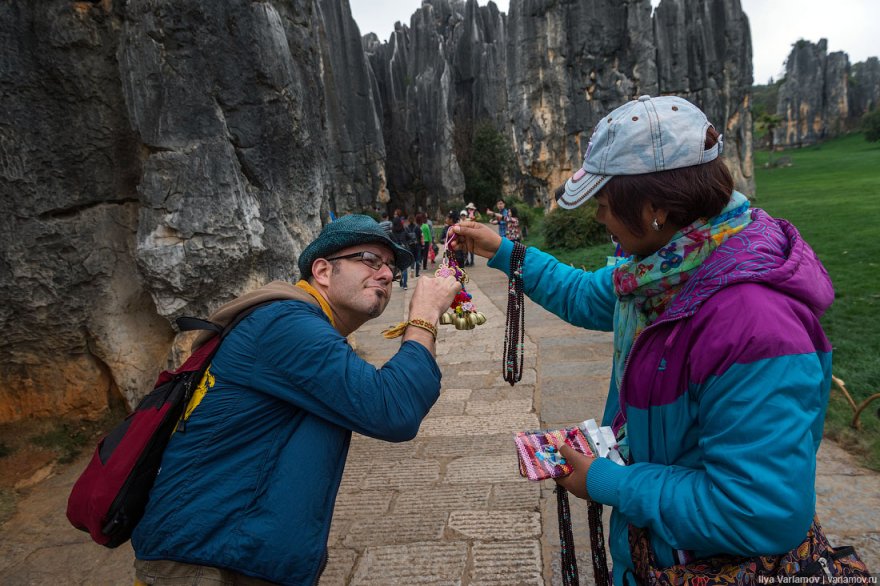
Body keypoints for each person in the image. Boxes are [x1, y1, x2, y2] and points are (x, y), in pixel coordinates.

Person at [454, 95, 836, 584]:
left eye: (606, 206)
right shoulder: (661, 277)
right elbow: (583, 294)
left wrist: (608, 482)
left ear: (657, 209)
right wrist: (502, 250)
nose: (599, 219)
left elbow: (760, 511)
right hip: (653, 552)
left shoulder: (755, 325)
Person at [131, 214, 460, 585]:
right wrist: (425, 315)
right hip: (206, 559)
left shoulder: (301, 324)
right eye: (369, 259)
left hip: (238, 552)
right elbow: (392, 407)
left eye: (390, 266)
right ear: (322, 270)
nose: (386, 274)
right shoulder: (284, 324)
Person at [390, 216, 410, 289]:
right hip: (404, 251)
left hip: (397, 252)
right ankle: (405, 284)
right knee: (405, 269)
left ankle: (401, 282)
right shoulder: (404, 231)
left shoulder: (391, 233)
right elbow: (409, 238)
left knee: (399, 268)